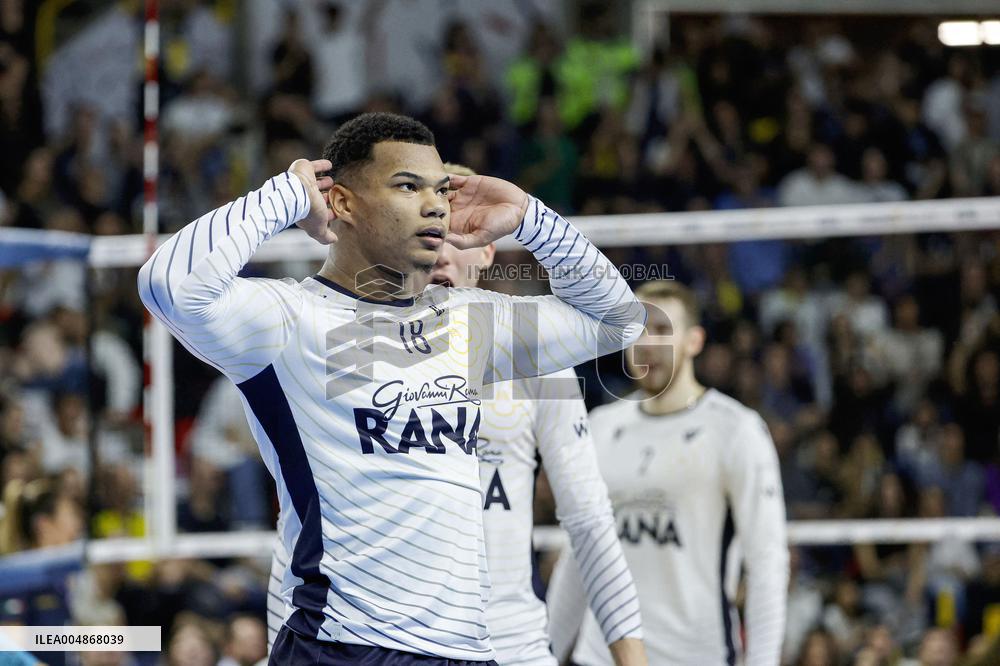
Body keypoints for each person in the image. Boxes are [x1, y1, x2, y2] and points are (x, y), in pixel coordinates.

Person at [137, 112, 645, 665]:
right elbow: (167, 284)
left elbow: (618, 321)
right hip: (344, 646)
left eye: (441, 191)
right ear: (343, 202)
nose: (435, 206)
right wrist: (287, 195)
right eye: (408, 186)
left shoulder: (467, 322)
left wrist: (532, 220)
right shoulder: (287, 319)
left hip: (469, 651)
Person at [266, 163, 646, 665]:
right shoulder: (350, 346)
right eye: (425, 233)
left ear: (487, 250)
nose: (441, 250)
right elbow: (299, 525)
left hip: (514, 648)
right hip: (386, 644)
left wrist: (632, 657)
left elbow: (589, 520)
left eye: (454, 233)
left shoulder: (540, 357)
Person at [547, 280, 789, 665]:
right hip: (601, 656)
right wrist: (545, 655)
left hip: (695, 656)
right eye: (637, 330)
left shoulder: (736, 430)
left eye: (662, 330)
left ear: (695, 341)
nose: (647, 343)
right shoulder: (601, 426)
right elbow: (579, 559)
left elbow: (767, 563)